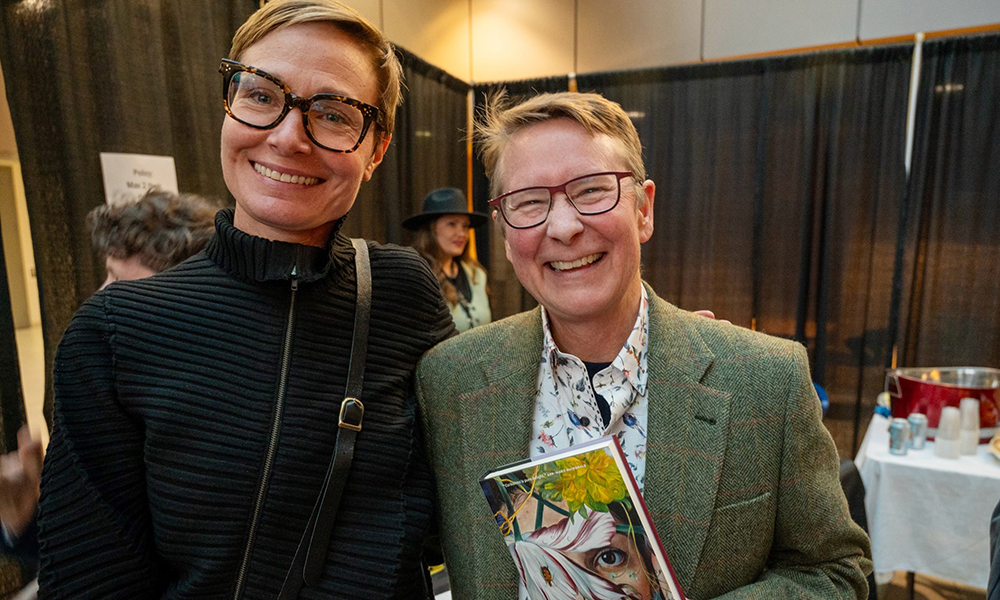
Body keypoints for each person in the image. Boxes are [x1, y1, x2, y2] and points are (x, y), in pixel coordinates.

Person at [37, 1, 453, 598]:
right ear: (228, 104)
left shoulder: (402, 291)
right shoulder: (116, 333)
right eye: (261, 96)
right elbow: (90, 579)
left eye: (334, 114)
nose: (287, 137)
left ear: (376, 148)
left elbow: (460, 501)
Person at [415, 92, 873, 599]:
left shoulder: (765, 381)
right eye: (529, 202)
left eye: (591, 191)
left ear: (644, 210)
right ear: (504, 233)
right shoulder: (449, 383)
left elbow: (835, 572)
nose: (563, 227)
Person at [0, 189, 217, 570]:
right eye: (106, 276)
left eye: (120, 285)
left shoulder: (216, 428)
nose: (99, 300)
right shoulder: (111, 396)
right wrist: (26, 517)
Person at [404, 187, 491, 332]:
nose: (462, 234)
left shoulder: (476, 275)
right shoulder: (418, 277)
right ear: (431, 229)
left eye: (465, 226)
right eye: (452, 224)